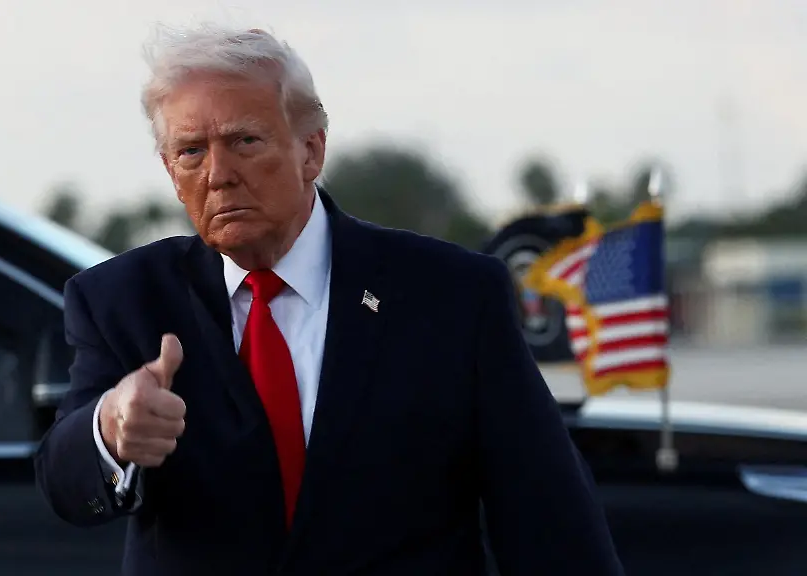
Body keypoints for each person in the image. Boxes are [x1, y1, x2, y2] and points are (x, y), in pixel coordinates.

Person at [35, 24, 624, 575]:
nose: (219, 173)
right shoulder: (122, 299)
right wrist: (110, 430)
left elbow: (550, 521)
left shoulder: (450, 295)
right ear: (170, 169)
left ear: (311, 151)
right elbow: (64, 484)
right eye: (192, 152)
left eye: (245, 140)